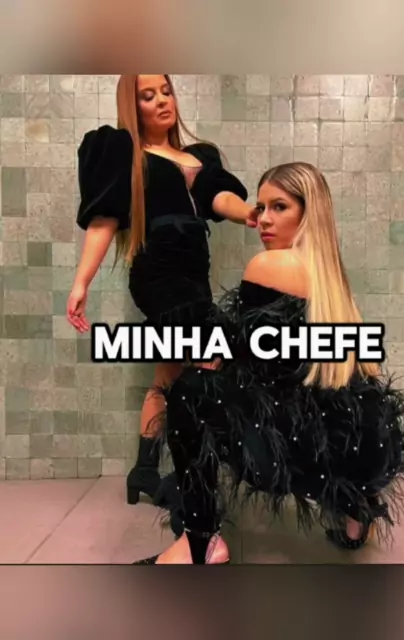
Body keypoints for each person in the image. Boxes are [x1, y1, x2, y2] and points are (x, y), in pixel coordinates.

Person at [134, 161, 404, 564]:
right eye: (260, 208)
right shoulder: (332, 281)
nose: (264, 220)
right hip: (353, 449)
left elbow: (240, 357)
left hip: (291, 449)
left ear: (308, 214)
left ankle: (199, 542)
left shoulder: (269, 265)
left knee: (189, 390)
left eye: (279, 207)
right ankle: (355, 512)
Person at [67, 75, 255, 510]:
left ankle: (144, 471)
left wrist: (251, 212)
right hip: (158, 273)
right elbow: (104, 220)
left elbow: (219, 197)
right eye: (147, 96)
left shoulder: (199, 155)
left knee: (167, 374)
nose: (161, 101)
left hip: (194, 274)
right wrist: (81, 283)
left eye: (165, 91)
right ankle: (196, 476)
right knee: (209, 361)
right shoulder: (124, 152)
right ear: (132, 107)